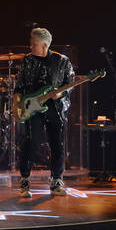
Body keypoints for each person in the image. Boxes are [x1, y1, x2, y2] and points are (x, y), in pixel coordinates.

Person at [15, 26, 74, 197]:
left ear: (45, 45)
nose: (31, 47)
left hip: (56, 109)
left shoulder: (63, 61)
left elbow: (69, 83)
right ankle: (25, 180)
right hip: (33, 108)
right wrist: (16, 105)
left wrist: (60, 93)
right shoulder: (27, 60)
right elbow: (19, 85)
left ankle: (56, 180)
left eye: (34, 44)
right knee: (31, 143)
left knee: (58, 145)